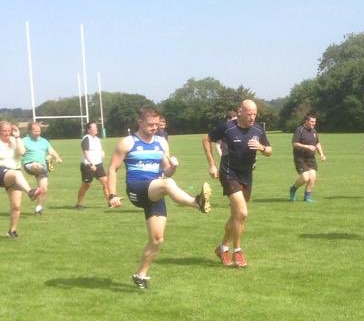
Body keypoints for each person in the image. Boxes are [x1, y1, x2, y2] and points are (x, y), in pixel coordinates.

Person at [108, 106, 212, 289]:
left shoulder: (162, 143)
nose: (154, 127)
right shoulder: (127, 142)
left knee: (157, 239)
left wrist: (173, 167)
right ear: (139, 122)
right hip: (136, 189)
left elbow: (167, 172)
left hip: (155, 190)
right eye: (150, 124)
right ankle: (197, 203)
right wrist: (112, 195)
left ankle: (140, 274)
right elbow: (112, 169)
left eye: (157, 124)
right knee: (166, 184)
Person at [203, 98, 272, 267]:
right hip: (228, 174)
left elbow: (269, 151)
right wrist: (212, 164)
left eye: (255, 114)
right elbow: (206, 139)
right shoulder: (227, 128)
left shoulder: (258, 129)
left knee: (237, 216)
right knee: (242, 213)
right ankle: (238, 251)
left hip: (247, 175)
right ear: (240, 111)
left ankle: (222, 248)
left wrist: (262, 148)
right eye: (249, 113)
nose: (252, 117)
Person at [0, 121, 45, 237]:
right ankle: (30, 192)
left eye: (8, 131)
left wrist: (17, 137)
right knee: (16, 174)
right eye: (4, 131)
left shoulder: (15, 140)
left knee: (16, 206)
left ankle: (12, 231)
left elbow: (22, 152)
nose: (6, 133)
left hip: (15, 176)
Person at [22, 120, 63, 214]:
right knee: (36, 165)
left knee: (44, 189)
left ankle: (38, 207)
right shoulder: (24, 140)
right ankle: (32, 191)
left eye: (39, 131)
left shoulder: (44, 141)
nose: (37, 132)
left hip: (42, 168)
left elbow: (51, 151)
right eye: (35, 131)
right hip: (29, 165)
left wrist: (57, 157)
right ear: (30, 131)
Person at [290, 113, 326, 202]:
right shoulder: (299, 130)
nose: (313, 124)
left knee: (312, 177)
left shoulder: (314, 131)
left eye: (314, 122)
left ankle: (307, 197)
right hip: (300, 158)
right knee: (305, 178)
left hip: (311, 158)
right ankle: (293, 189)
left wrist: (321, 154)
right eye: (312, 122)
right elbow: (294, 144)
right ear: (306, 121)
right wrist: (307, 147)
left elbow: (317, 143)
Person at [75, 121, 110, 208]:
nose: (95, 129)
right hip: (88, 165)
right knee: (86, 185)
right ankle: (79, 203)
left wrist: (102, 153)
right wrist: (91, 164)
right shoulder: (86, 139)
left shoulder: (97, 139)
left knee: (106, 182)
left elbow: (99, 150)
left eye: (96, 127)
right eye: (93, 128)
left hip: (98, 164)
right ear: (88, 130)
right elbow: (86, 152)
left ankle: (110, 202)